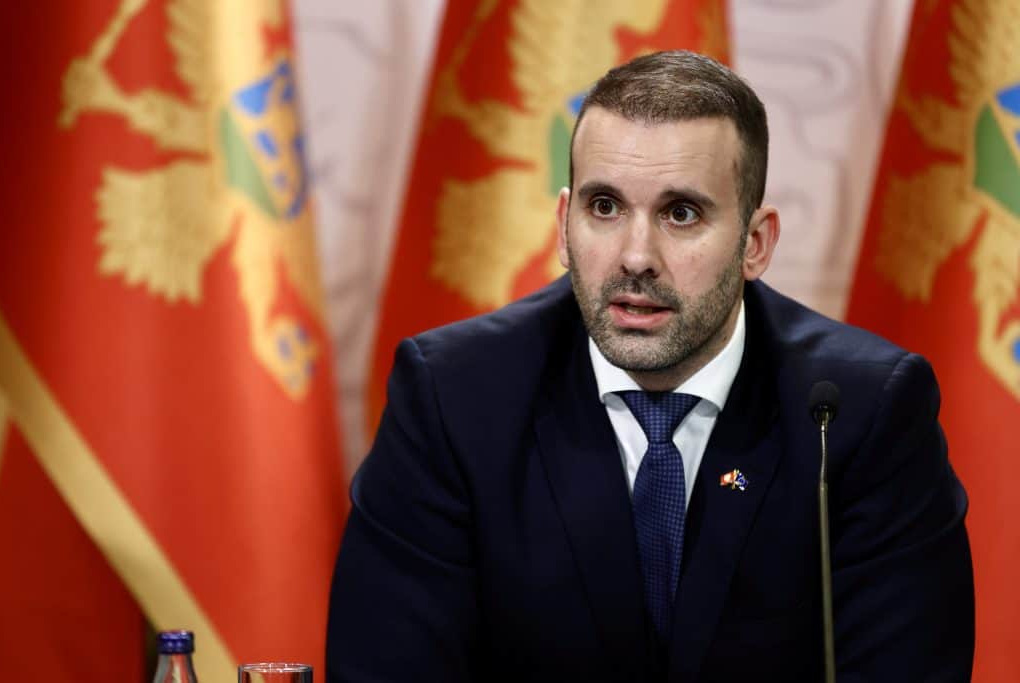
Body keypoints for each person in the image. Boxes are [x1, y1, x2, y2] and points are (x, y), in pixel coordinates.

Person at [325, 51, 974, 682]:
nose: (636, 256)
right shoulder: (455, 398)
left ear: (755, 243)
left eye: (680, 213)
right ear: (564, 222)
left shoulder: (860, 414)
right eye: (604, 207)